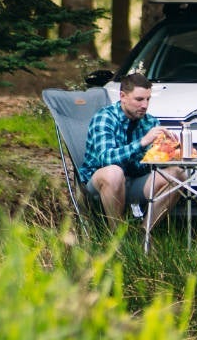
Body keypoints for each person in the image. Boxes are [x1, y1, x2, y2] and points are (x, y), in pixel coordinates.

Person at [77, 71, 182, 225]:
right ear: (122, 96)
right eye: (139, 99)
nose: (144, 105)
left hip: (134, 182)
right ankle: (117, 238)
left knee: (178, 174)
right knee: (114, 172)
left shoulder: (150, 122)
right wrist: (142, 142)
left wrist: (171, 151)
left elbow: (151, 163)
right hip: (100, 183)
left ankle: (144, 234)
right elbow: (106, 159)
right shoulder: (105, 118)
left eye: (147, 99)